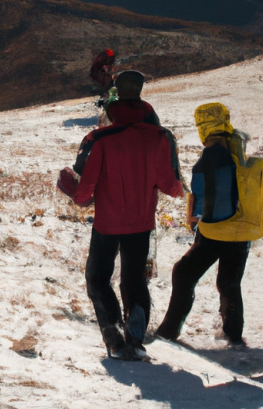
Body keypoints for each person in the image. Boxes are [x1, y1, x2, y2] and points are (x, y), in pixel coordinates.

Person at [70, 70, 184, 360]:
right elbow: (172, 187)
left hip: (108, 223)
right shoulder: (158, 137)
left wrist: (71, 190)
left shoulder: (100, 138)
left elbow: (85, 192)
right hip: (141, 222)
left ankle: (114, 336)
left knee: (97, 279)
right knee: (133, 280)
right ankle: (135, 331)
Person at [156, 103, 263, 347]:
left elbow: (202, 191)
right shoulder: (237, 146)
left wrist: (195, 218)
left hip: (216, 228)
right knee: (229, 282)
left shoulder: (213, 151)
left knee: (183, 273)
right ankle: (233, 335)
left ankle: (168, 331)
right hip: (242, 228)